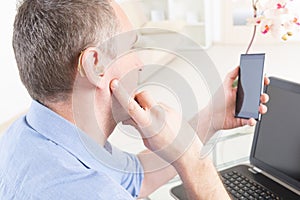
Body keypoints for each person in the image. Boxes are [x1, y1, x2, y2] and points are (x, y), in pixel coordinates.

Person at [0, 0, 269, 199]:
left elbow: (135, 178)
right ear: (96, 65)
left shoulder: (28, 135)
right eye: (132, 47)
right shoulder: (85, 191)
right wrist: (192, 160)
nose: (140, 63)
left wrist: (211, 117)